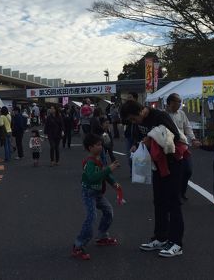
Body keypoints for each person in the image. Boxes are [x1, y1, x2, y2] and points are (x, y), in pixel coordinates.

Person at [121, 100, 188, 257]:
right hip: (158, 165)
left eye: (133, 118)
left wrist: (151, 140)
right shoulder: (139, 123)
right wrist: (137, 145)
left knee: (173, 202)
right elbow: (140, 138)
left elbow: (175, 137)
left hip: (173, 163)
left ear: (140, 111)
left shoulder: (160, 116)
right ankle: (160, 237)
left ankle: (177, 243)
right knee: (159, 201)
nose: (133, 122)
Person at [71, 133, 121, 261]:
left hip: (98, 193)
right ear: (90, 148)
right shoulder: (89, 163)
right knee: (91, 217)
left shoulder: (99, 160)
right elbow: (93, 178)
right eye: (97, 145)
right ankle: (78, 245)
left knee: (108, 211)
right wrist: (109, 169)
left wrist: (113, 183)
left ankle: (102, 236)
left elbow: (104, 174)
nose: (100, 146)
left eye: (101, 144)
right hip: (89, 193)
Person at [166, 93, 199, 201]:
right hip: (169, 147)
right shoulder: (163, 114)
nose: (179, 104)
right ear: (170, 103)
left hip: (183, 145)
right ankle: (174, 193)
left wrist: (193, 138)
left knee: (188, 170)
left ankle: (182, 191)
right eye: (177, 102)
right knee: (173, 172)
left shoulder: (181, 114)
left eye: (180, 102)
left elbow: (187, 127)